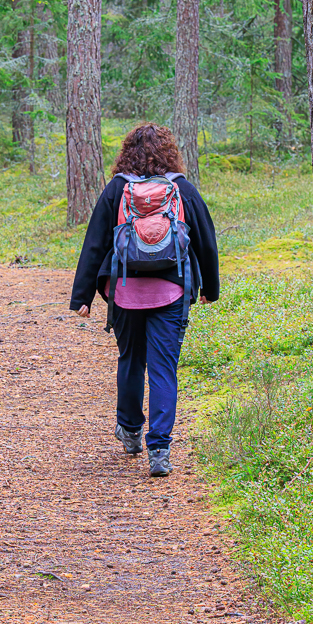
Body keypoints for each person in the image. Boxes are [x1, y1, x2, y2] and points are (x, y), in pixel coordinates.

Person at [69, 123, 219, 477]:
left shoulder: (117, 189)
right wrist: (210, 288)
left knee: (131, 360)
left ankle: (131, 430)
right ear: (169, 152)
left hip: (124, 292)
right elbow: (206, 241)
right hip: (172, 291)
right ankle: (160, 450)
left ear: (127, 153)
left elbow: (94, 243)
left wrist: (83, 296)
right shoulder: (180, 189)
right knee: (164, 368)